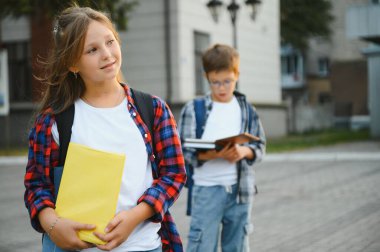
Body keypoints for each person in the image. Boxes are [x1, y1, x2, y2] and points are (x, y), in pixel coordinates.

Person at [24, 5, 186, 252]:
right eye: (92, 50)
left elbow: (173, 174)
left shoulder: (153, 109)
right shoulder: (54, 122)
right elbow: (36, 186)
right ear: (72, 65)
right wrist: (53, 225)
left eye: (110, 42)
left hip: (143, 246)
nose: (107, 54)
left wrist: (135, 216)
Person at [178, 44, 266, 252]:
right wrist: (215, 154)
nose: (221, 88)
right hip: (206, 192)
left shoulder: (246, 109)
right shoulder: (194, 109)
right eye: (215, 82)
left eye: (228, 81)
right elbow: (183, 150)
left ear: (237, 74)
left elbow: (260, 145)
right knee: (202, 247)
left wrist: (244, 151)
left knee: (237, 247)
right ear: (206, 77)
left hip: (240, 193)